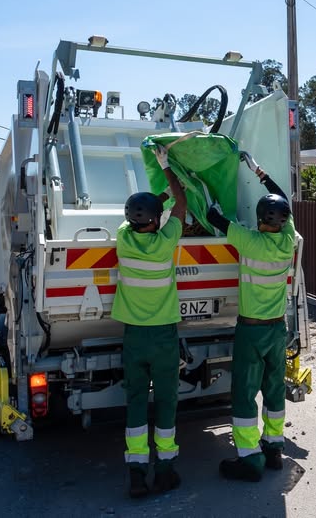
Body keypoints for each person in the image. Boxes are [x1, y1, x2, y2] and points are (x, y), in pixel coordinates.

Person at [206, 166, 297, 482]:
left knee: (245, 392)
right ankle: (273, 448)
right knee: (273, 389)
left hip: (251, 330)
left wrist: (208, 196)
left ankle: (249, 458)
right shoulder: (288, 240)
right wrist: (263, 176)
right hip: (277, 329)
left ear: (260, 220)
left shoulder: (249, 241)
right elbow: (284, 200)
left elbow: (215, 220)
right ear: (283, 220)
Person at [111, 145, 187, 498]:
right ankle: (166, 469)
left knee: (137, 401)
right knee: (167, 401)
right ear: (157, 220)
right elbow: (182, 207)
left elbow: (136, 218)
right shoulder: (166, 242)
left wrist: (152, 201)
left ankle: (136, 471)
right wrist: (168, 171)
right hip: (163, 337)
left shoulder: (124, 240)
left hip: (134, 338)